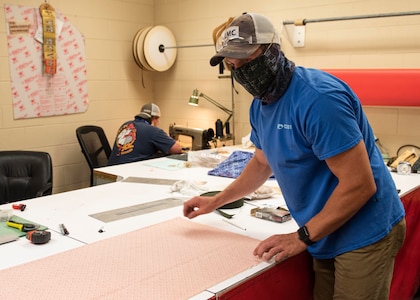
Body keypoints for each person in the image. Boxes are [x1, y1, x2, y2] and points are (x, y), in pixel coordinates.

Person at [183, 12, 406, 300]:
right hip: (324, 229)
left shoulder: (318, 100)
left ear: (272, 50)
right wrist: (215, 201)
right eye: (232, 65)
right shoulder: (260, 105)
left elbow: (360, 185)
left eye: (248, 62)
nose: (241, 72)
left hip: (363, 230)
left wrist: (300, 237)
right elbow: (262, 163)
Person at [107, 103, 182, 166]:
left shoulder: (125, 125)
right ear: (154, 118)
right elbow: (177, 149)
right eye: (158, 120)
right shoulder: (153, 131)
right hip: (130, 172)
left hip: (110, 170)